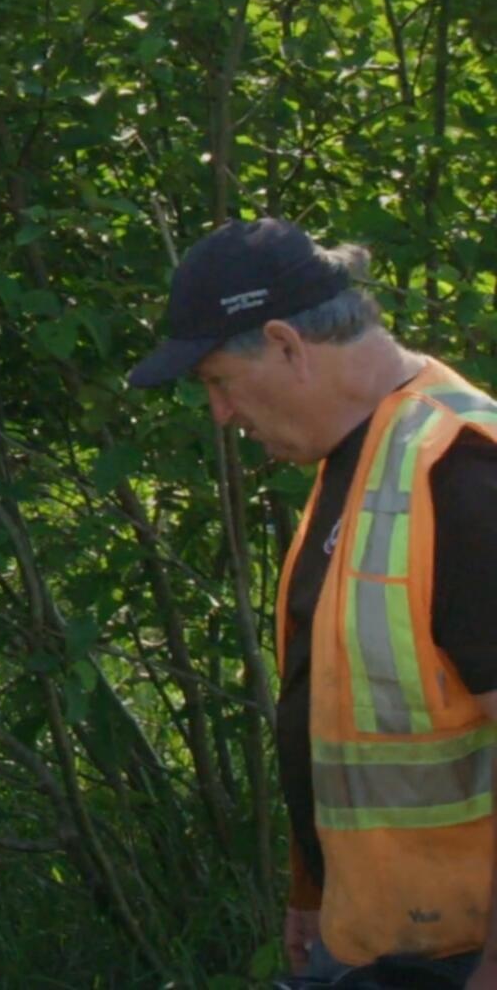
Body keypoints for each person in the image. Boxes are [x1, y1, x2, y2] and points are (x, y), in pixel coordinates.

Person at [130, 219, 497, 987]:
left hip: (452, 960)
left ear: (287, 344)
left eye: (219, 382)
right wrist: (315, 893)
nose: (221, 415)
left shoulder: (462, 479)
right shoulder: (362, 455)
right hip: (364, 941)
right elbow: (341, 702)